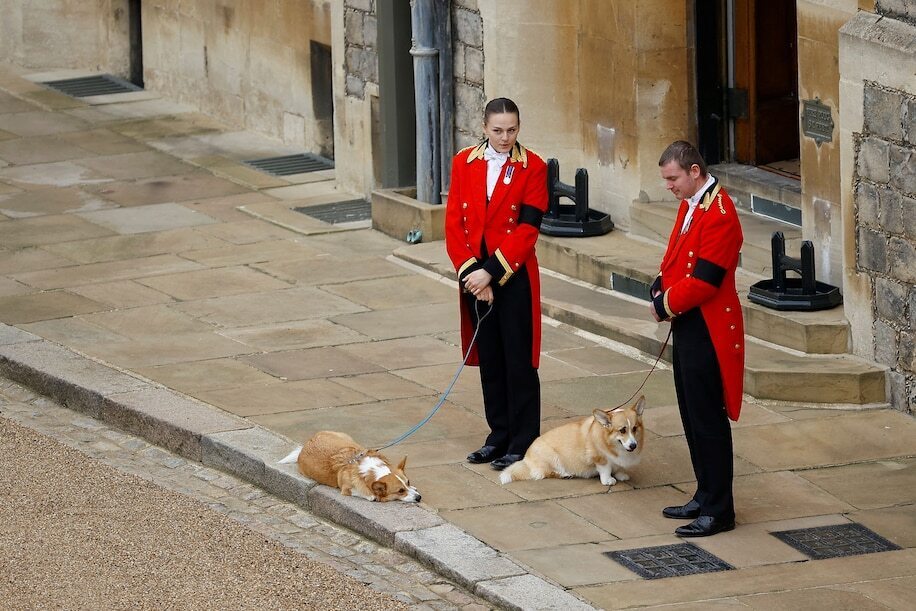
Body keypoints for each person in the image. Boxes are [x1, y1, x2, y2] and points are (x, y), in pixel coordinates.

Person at [444, 97, 548, 471]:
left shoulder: (533, 167)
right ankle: (498, 434)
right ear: (484, 128)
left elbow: (528, 229)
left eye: (512, 130)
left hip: (513, 275)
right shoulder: (463, 162)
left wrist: (492, 272)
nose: (506, 138)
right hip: (474, 278)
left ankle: (524, 440)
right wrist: (474, 275)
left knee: (518, 361)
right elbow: (454, 223)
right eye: (498, 130)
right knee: (490, 358)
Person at [650, 140, 745, 537]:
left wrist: (664, 304)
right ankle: (705, 493)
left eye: (673, 178)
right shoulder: (692, 204)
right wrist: (658, 287)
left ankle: (720, 510)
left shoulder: (720, 213)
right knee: (690, 412)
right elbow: (675, 259)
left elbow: (705, 281)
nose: (669, 186)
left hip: (708, 325)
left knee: (708, 418)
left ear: (693, 171)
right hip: (688, 321)